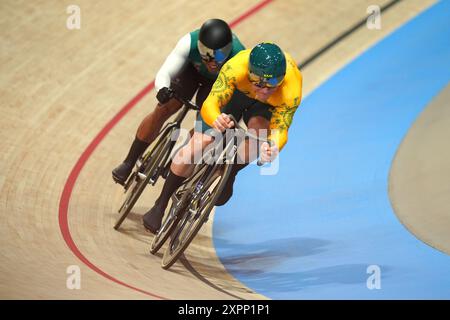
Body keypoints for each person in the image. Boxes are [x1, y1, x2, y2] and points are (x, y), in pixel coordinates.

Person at [143, 42, 303, 234]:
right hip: (235, 95)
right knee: (199, 143)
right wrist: (216, 118)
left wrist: (273, 146)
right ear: (250, 73)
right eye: (259, 83)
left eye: (272, 85)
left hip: (263, 109)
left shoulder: (291, 89)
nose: (264, 90)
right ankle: (160, 205)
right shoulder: (236, 67)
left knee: (258, 136)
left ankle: (229, 172)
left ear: (282, 80)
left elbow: (281, 129)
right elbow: (211, 103)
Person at [112, 19, 245, 185]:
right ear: (199, 45)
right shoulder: (189, 42)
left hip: (218, 84)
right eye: (206, 54)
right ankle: (128, 162)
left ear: (228, 50)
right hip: (189, 73)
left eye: (218, 56)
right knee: (164, 108)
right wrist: (162, 89)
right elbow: (165, 72)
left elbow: (241, 95)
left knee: (204, 125)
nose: (212, 61)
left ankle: (180, 156)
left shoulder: (239, 57)